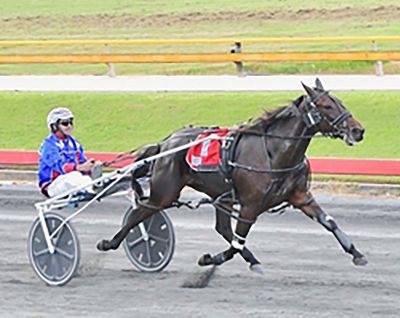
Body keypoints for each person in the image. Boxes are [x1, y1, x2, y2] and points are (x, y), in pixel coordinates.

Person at [38, 107, 99, 197]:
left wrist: (91, 166)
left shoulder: (74, 143)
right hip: (52, 185)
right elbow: (59, 165)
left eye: (71, 122)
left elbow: (82, 163)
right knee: (74, 176)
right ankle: (91, 188)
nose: (69, 126)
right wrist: (79, 167)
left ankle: (94, 186)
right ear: (54, 126)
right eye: (65, 123)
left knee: (87, 175)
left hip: (73, 181)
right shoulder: (48, 145)